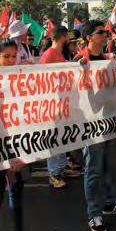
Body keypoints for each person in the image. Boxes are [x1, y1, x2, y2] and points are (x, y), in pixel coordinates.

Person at [79, 20, 116, 231]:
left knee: (107, 165)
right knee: (92, 169)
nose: (106, 35)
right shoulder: (79, 61)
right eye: (100, 32)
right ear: (89, 38)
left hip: (108, 120)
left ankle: (109, 203)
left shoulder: (106, 60)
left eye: (106, 32)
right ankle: (94, 213)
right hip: (90, 124)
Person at [0, 40, 27, 231]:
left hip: (16, 142)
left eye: (14, 56)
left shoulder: (21, 76)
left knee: (16, 191)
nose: (11, 60)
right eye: (6, 56)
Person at [40, 26, 81, 189]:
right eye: (68, 38)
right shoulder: (49, 55)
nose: (69, 41)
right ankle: (53, 173)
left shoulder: (57, 54)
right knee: (54, 137)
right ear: (63, 37)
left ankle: (61, 168)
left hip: (62, 102)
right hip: (53, 103)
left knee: (61, 136)